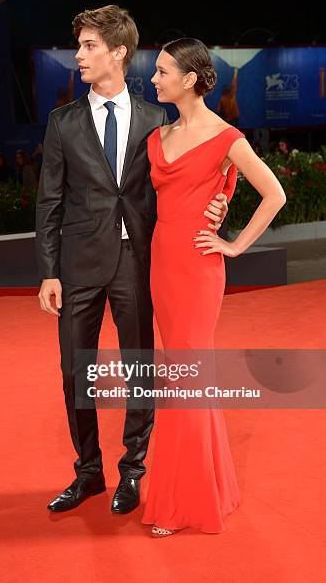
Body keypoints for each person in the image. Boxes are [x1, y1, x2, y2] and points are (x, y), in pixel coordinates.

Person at [35, 6, 229, 516]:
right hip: (77, 266)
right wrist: (49, 270)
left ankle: (132, 472)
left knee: (139, 368)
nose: (78, 55)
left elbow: (185, 177)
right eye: (79, 46)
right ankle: (88, 473)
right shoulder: (63, 122)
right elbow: (49, 202)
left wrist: (219, 203)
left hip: (139, 264)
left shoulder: (155, 118)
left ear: (118, 51)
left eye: (89, 46)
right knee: (76, 373)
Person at [143, 38, 286, 537]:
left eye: (162, 71)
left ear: (189, 79)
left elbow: (275, 193)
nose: (154, 79)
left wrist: (235, 245)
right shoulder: (156, 138)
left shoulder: (227, 137)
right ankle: (206, 488)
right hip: (163, 266)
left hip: (200, 268)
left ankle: (185, 502)